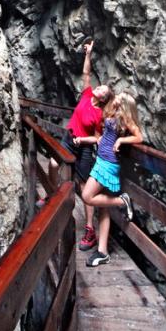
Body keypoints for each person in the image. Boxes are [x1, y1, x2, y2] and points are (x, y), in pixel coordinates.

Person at [45, 39, 113, 251]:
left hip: (83, 147)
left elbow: (98, 139)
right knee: (53, 164)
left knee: (84, 188)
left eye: (102, 88)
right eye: (100, 85)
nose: (98, 87)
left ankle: (90, 230)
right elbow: (86, 73)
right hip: (69, 137)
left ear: (104, 98)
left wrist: (83, 140)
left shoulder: (100, 114)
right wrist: (88, 54)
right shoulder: (86, 95)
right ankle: (51, 194)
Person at [79, 92, 143, 266]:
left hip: (107, 165)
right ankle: (102, 252)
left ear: (123, 103)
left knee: (87, 196)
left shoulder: (124, 118)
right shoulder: (113, 113)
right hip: (102, 160)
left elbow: (139, 136)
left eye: (118, 98)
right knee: (103, 209)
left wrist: (122, 140)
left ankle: (122, 202)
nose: (115, 98)